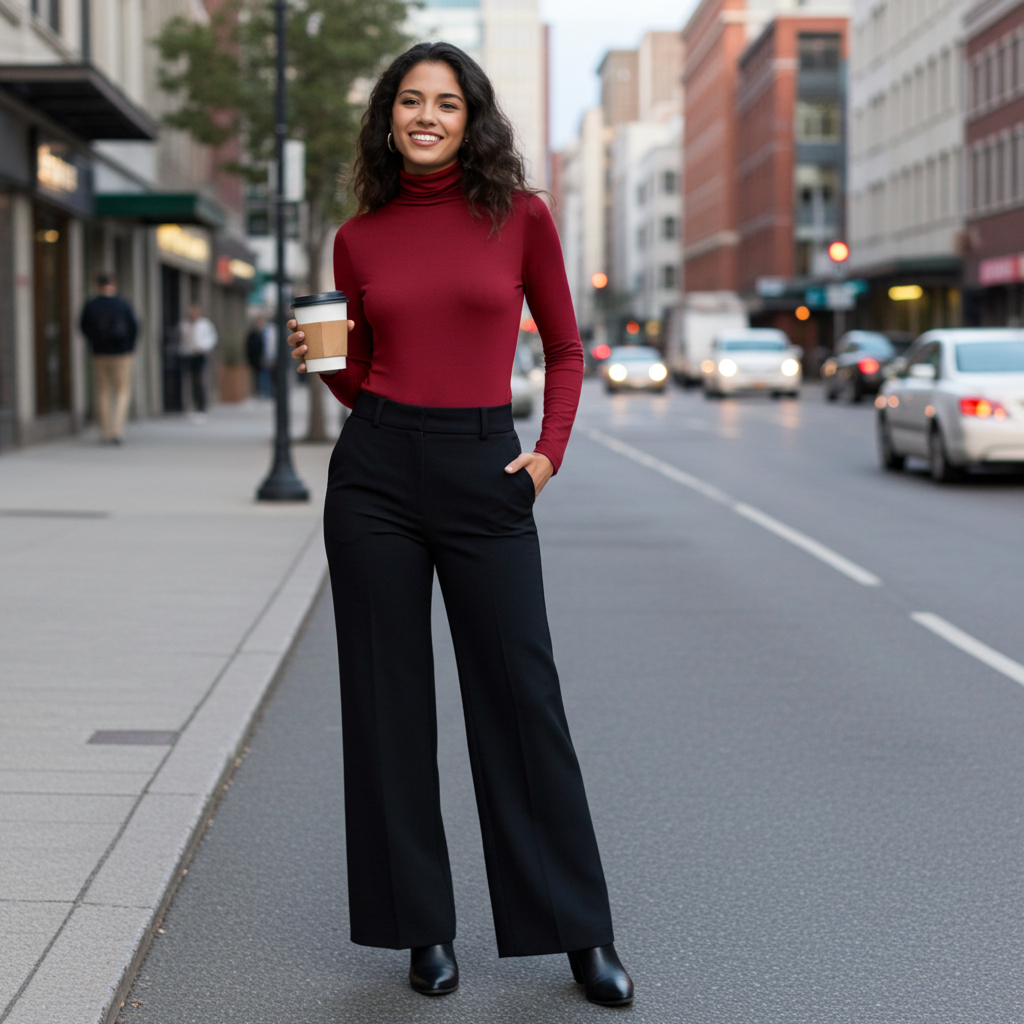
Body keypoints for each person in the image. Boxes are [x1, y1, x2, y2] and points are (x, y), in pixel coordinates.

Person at [287, 42, 633, 1007]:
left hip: (487, 471)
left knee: (523, 701)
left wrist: (547, 456)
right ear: (388, 117)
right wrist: (326, 366)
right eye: (410, 101)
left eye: (445, 102)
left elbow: (565, 349)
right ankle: (421, 929)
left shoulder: (520, 217)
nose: (427, 117)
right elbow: (362, 375)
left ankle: (579, 932)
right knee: (387, 706)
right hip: (376, 475)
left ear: (471, 117)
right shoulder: (359, 238)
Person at [80, 272, 138, 444]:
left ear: (97, 285)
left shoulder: (91, 305)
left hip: (99, 354)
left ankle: (105, 431)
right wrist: (130, 348)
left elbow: (83, 327)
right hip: (122, 354)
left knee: (102, 392)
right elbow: (135, 327)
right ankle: (117, 431)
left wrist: (95, 343)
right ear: (113, 285)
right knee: (122, 391)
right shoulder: (123, 303)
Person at [178, 304, 218, 417]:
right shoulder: (185, 324)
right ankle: (192, 405)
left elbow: (212, 338)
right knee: (190, 380)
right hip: (189, 355)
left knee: (200, 380)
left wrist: (204, 347)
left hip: (201, 354)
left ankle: (202, 407)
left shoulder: (204, 324)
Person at [245, 316, 270, 397]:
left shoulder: (266, 333)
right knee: (258, 376)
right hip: (256, 360)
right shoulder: (253, 335)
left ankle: (266, 392)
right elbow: (250, 347)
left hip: (267, 359)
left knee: (266, 376)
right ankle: (259, 392)